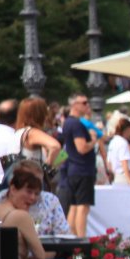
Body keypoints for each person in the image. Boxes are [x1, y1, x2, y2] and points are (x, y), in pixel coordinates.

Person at [0, 160, 62, 259]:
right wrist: (54, 252)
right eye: (29, 192)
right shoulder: (21, 216)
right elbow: (40, 257)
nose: (33, 198)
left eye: (36, 194)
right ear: (13, 189)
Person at [0, 158, 69, 238]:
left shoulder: (51, 201)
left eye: (38, 183)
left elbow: (64, 235)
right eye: (30, 185)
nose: (35, 186)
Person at [55, 93, 98, 236]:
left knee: (74, 206)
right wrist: (93, 140)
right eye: (84, 103)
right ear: (74, 105)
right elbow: (82, 148)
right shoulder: (76, 124)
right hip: (82, 170)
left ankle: (72, 240)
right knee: (82, 207)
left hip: (74, 169)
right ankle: (81, 240)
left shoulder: (68, 122)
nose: (87, 105)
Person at [106, 115, 130, 186]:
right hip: (125, 177)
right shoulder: (123, 143)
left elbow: (109, 163)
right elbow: (124, 163)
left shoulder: (113, 141)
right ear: (128, 129)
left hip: (116, 176)